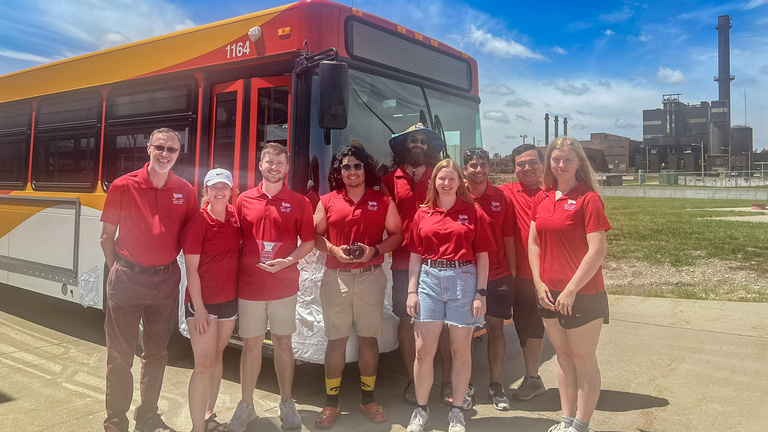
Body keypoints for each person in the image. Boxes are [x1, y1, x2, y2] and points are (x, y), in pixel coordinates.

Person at [100, 128, 197, 432]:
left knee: (157, 353)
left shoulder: (186, 190)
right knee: (120, 356)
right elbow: (106, 236)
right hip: (128, 279)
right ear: (148, 149)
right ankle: (116, 421)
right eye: (160, 148)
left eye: (172, 150)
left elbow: (192, 236)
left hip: (166, 280)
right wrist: (121, 270)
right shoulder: (123, 185)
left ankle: (148, 416)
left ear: (178, 154)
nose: (165, 154)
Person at [227, 143, 316, 432]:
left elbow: (309, 242)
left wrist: (288, 261)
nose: (274, 166)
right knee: (251, 345)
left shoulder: (300, 202)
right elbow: (232, 238)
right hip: (250, 287)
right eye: (269, 161)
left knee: (282, 344)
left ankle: (287, 403)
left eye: (280, 162)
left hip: (284, 286)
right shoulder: (243, 200)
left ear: (287, 168)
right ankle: (246, 405)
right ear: (260, 166)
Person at [313, 145, 403, 428]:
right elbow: (315, 237)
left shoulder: (382, 200)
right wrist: (333, 251)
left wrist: (374, 249)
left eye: (357, 166)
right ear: (339, 172)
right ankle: (331, 402)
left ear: (366, 169)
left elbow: (398, 235)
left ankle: (368, 398)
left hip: (369, 276)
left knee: (368, 339)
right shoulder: (326, 200)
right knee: (336, 340)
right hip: (336, 277)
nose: (352, 171)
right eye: (346, 167)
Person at [528, 137, 611, 432]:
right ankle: (566, 421)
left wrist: (572, 289)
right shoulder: (542, 197)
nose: (560, 165)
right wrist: (538, 283)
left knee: (583, 359)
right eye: (555, 159)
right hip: (548, 294)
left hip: (583, 294)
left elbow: (597, 251)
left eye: (567, 160)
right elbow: (534, 243)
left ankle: (581, 425)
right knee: (563, 358)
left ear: (579, 164)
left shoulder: (589, 199)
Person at [405, 159, 494, 432]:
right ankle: (421, 410)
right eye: (441, 178)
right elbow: (415, 256)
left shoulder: (473, 211)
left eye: (451, 179)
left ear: (460, 182)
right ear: (434, 182)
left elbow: (482, 255)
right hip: (429, 281)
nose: (446, 183)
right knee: (423, 352)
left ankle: (456, 410)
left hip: (463, 281)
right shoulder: (423, 214)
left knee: (460, 351)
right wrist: (411, 290)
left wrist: (481, 292)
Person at [381, 123, 454, 406]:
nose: (419, 145)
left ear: (430, 146)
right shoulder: (390, 179)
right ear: (405, 145)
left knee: (445, 323)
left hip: (439, 260)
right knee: (407, 319)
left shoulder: (441, 176)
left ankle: (447, 379)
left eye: (424, 141)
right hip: (402, 261)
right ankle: (414, 380)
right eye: (413, 140)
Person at [181, 168, 241, 432]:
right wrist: (201, 309)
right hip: (202, 305)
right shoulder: (198, 222)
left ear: (231, 190)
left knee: (217, 358)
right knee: (203, 365)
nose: (219, 191)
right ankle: (196, 428)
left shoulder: (235, 217)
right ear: (206, 191)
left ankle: (208, 416)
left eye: (224, 187)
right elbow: (191, 269)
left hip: (229, 301)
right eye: (214, 187)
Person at [463, 148, 516, 411]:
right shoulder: (457, 195)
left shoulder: (501, 197)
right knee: (468, 333)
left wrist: (512, 274)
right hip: (465, 275)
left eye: (483, 165)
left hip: (497, 274)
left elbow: (508, 237)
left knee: (496, 330)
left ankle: (495, 385)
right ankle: (466, 384)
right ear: (465, 169)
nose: (479, 170)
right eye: (473, 165)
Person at [498, 144, 549, 401]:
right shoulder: (507, 192)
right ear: (514, 168)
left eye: (532, 162)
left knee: (567, 333)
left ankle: (579, 380)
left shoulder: (555, 191)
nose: (527, 168)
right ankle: (533, 379)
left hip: (552, 277)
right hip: (521, 277)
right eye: (521, 164)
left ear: (543, 163)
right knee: (527, 329)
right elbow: (474, 190)